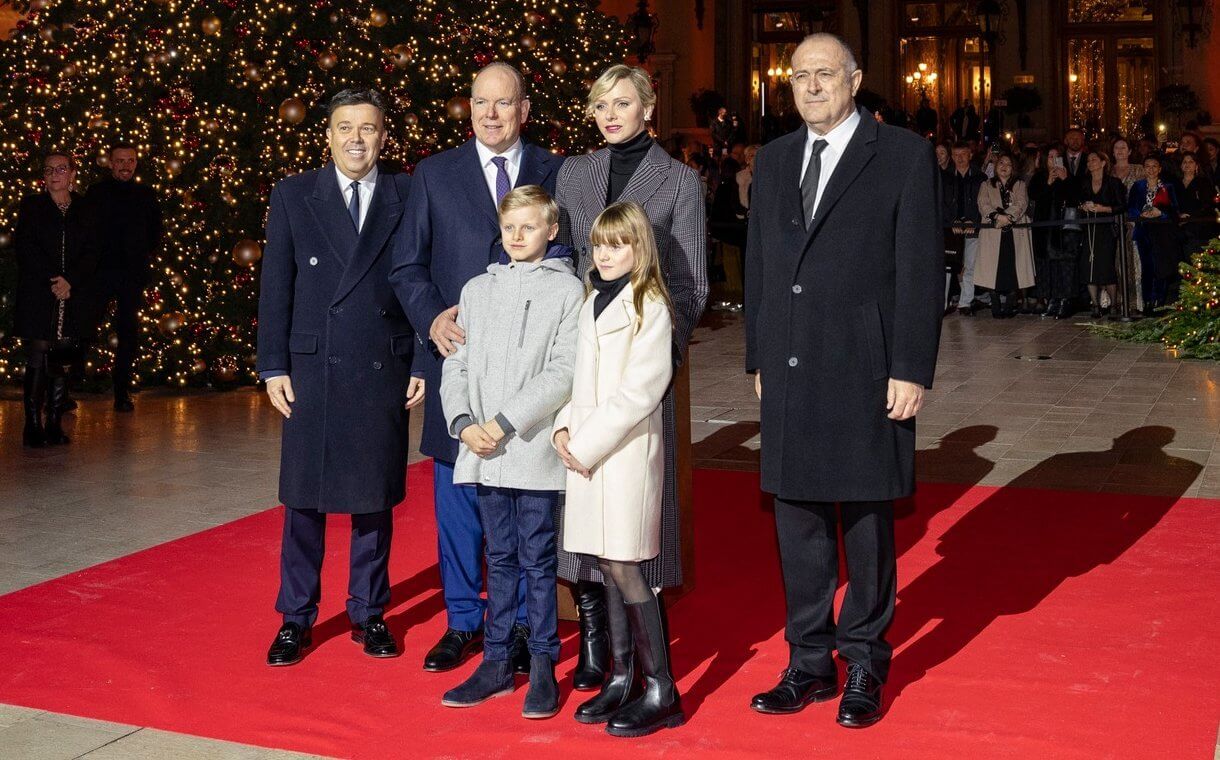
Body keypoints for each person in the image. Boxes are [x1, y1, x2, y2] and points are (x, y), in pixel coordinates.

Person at [743, 33, 943, 729]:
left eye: (825, 74)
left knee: (865, 523)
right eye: (799, 76)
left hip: (866, 367)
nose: (811, 87)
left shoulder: (904, 157)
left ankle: (864, 660)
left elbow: (921, 272)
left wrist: (912, 367)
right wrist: (760, 358)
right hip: (792, 367)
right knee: (797, 523)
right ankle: (807, 663)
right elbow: (763, 267)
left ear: (854, 79)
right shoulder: (771, 161)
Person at [391, 63, 567, 676]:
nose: (491, 115)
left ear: (523, 108)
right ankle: (464, 620)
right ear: (468, 108)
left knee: (526, 511)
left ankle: (520, 625)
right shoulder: (435, 175)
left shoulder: (555, 170)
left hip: (529, 384)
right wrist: (431, 319)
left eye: (504, 103)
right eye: (480, 103)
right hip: (460, 369)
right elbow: (406, 266)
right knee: (458, 501)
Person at [553, 64, 708, 690]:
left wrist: (658, 365)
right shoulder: (574, 173)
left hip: (644, 362)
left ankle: (650, 673)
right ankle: (603, 657)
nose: (610, 113)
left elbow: (694, 282)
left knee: (635, 520)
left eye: (623, 102)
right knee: (587, 518)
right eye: (600, 104)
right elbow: (567, 261)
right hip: (587, 353)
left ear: (648, 105)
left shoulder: (680, 180)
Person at [256, 88, 422, 667]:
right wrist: (272, 363)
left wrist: (425, 359)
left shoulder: (405, 194)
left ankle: (369, 612)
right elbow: (276, 285)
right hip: (313, 366)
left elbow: (421, 282)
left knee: (372, 500)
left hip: (383, 362)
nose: (356, 138)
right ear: (327, 135)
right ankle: (294, 617)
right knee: (304, 500)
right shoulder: (295, 194)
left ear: (384, 136)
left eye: (368, 128)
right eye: (345, 127)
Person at [438, 186, 583, 719]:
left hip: (529, 448)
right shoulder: (477, 288)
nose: (517, 237)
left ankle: (543, 664)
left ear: (551, 230)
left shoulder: (568, 293)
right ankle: (497, 661)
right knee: (497, 558)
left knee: (538, 561)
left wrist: (504, 422)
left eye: (529, 227)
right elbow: (455, 360)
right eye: (509, 227)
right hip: (483, 448)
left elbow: (563, 372)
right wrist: (463, 423)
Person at [554, 200, 681, 737]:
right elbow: (580, 380)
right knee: (604, 564)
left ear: (639, 249)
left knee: (627, 566)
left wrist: (584, 444)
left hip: (623, 453)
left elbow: (639, 393)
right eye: (599, 245)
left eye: (618, 245)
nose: (605, 255)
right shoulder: (591, 301)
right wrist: (563, 425)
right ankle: (621, 675)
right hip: (586, 451)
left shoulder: (649, 304)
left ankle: (662, 687)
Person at [14, 152, 95, 447]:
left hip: (74, 292)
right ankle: (32, 423)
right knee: (38, 353)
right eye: (48, 169)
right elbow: (25, 247)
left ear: (72, 172)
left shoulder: (86, 208)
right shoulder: (32, 206)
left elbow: (92, 251)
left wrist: (70, 280)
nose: (54, 174)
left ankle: (54, 422)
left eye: (61, 169)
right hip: (40, 290)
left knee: (62, 357)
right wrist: (54, 279)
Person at [84, 144, 161, 412]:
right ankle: (64, 389)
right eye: (120, 161)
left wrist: (139, 257)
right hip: (100, 273)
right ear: (110, 163)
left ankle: (121, 391)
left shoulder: (146, 194)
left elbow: (155, 233)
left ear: (136, 164)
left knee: (128, 333)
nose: (125, 165)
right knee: (85, 327)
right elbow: (86, 232)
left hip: (131, 274)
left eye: (130, 160)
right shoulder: (96, 193)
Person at [975, 153, 1034, 318]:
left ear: (1013, 168)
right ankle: (994, 299)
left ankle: (1010, 300)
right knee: (993, 267)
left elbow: (1021, 203)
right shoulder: (986, 184)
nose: (1004, 166)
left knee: (1013, 267)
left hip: (1014, 233)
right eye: (1001, 163)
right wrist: (996, 216)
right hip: (993, 231)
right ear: (995, 166)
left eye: (1008, 164)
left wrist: (1007, 217)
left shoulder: (1020, 184)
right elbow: (983, 204)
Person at [1029, 144, 1079, 318]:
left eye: (1056, 156)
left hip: (1063, 230)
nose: (1053, 160)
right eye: (1050, 156)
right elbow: (1034, 195)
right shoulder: (1039, 177)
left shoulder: (1069, 176)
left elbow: (1075, 198)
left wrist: (1066, 180)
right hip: (1044, 229)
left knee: (1063, 264)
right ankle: (1051, 299)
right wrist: (1048, 183)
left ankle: (1065, 299)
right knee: (1045, 264)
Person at [1076, 149, 1127, 317]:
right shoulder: (1084, 183)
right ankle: (1095, 305)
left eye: (1094, 159)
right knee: (1088, 265)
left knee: (1106, 267)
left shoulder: (1113, 182)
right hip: (1089, 228)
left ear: (1103, 163)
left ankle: (1113, 305)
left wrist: (1103, 209)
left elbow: (1121, 205)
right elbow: (1078, 202)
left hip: (1106, 230)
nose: (1090, 163)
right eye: (1088, 160)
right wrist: (1083, 207)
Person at [1128, 154, 1181, 310]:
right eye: (1148, 166)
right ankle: (1147, 301)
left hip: (1162, 233)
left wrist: (1160, 214)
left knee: (1161, 266)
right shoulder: (1137, 186)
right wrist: (1140, 214)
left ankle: (1159, 300)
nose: (1151, 169)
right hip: (1143, 231)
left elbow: (1174, 210)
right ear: (1144, 169)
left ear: (1159, 169)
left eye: (1154, 166)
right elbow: (1130, 208)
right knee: (1147, 266)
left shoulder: (1167, 187)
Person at [942, 142, 986, 314]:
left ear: (970, 155)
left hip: (972, 228)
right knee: (948, 267)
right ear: (952, 156)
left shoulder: (980, 177)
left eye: (963, 154)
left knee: (969, 266)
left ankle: (965, 302)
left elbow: (983, 203)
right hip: (950, 230)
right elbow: (941, 203)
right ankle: (944, 303)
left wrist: (973, 222)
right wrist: (952, 221)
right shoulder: (944, 177)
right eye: (956, 154)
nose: (959, 158)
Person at [1111, 137, 1146, 314]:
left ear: (1130, 151)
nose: (1120, 151)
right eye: (1117, 147)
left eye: (1123, 147)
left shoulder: (1139, 170)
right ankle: (1116, 301)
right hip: (1113, 221)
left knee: (1134, 261)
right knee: (1115, 261)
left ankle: (1135, 302)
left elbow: (1146, 192)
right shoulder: (1108, 170)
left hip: (1134, 221)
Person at [1176, 152, 1217, 259]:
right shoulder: (1175, 184)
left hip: (1199, 230)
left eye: (1191, 162)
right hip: (1179, 230)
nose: (1187, 164)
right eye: (1184, 162)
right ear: (1181, 165)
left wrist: (1190, 217)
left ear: (1196, 165)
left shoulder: (1203, 183)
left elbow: (1208, 205)